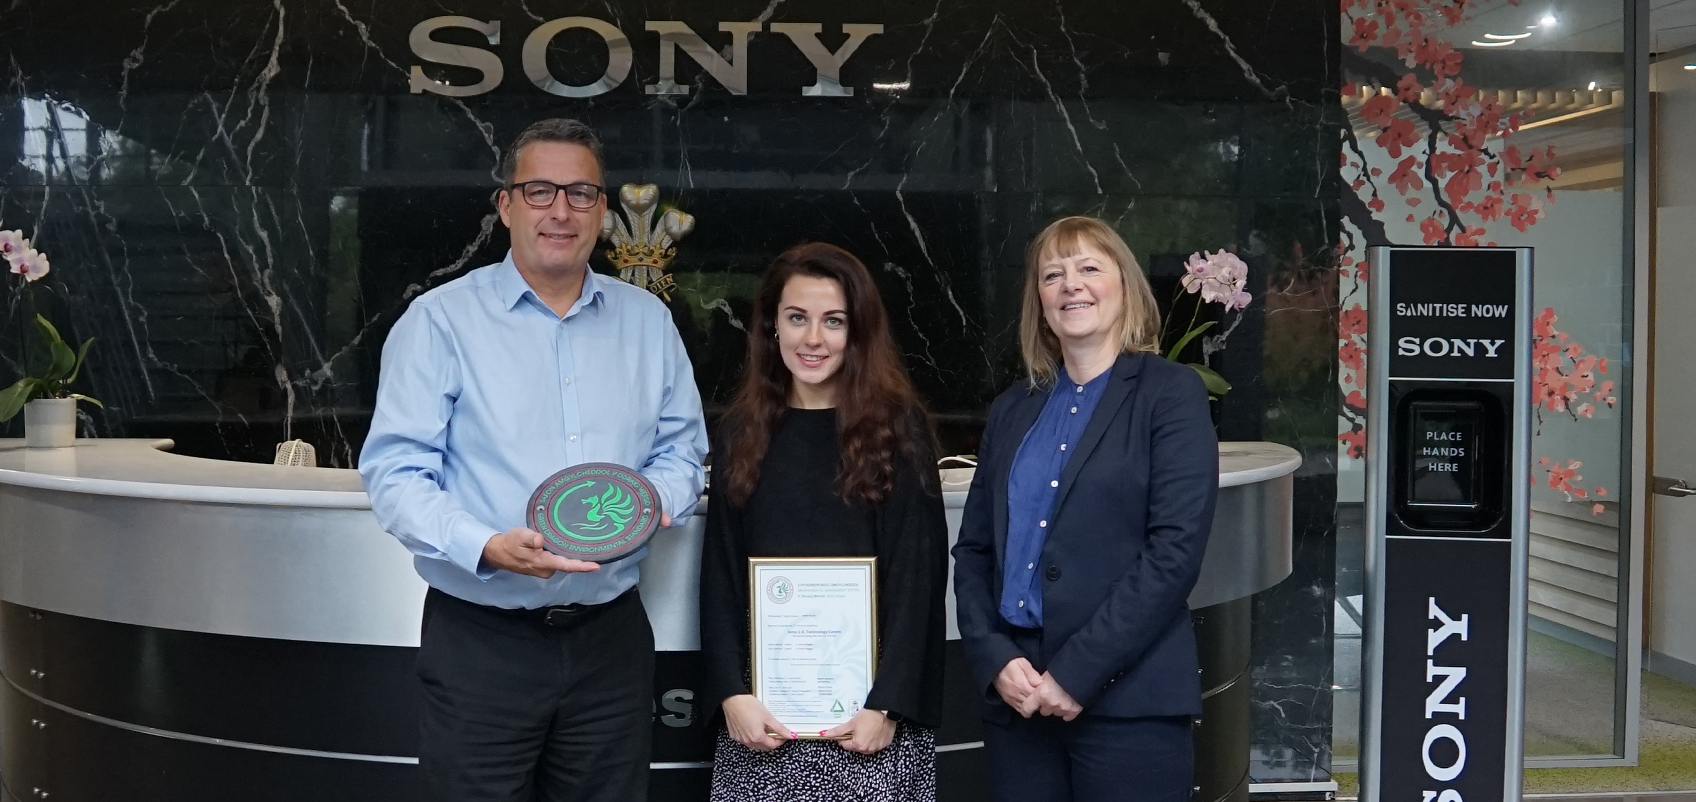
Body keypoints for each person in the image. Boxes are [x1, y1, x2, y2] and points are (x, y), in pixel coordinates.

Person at [358, 118, 708, 802]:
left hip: (610, 641)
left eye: (581, 193)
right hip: (482, 641)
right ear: (506, 205)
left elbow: (683, 451)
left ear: (603, 211)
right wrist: (486, 545)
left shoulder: (648, 323)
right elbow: (396, 474)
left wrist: (645, 506)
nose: (561, 211)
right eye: (540, 190)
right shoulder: (439, 322)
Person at [951, 216, 1219, 802]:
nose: (1071, 285)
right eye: (1053, 275)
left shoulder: (1170, 393)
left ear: (1125, 286)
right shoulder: (1011, 410)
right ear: (1040, 302)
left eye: (1089, 268)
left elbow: (1173, 553)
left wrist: (1075, 673)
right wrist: (995, 658)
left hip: (1129, 701)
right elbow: (973, 551)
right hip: (1019, 702)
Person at [698, 242, 948, 802]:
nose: (813, 339)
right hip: (761, 726)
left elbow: (918, 578)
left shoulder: (898, 430)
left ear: (858, 332)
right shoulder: (741, 431)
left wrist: (888, 706)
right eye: (797, 318)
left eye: (834, 321)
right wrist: (731, 695)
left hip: (869, 728)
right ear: (772, 326)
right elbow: (719, 574)